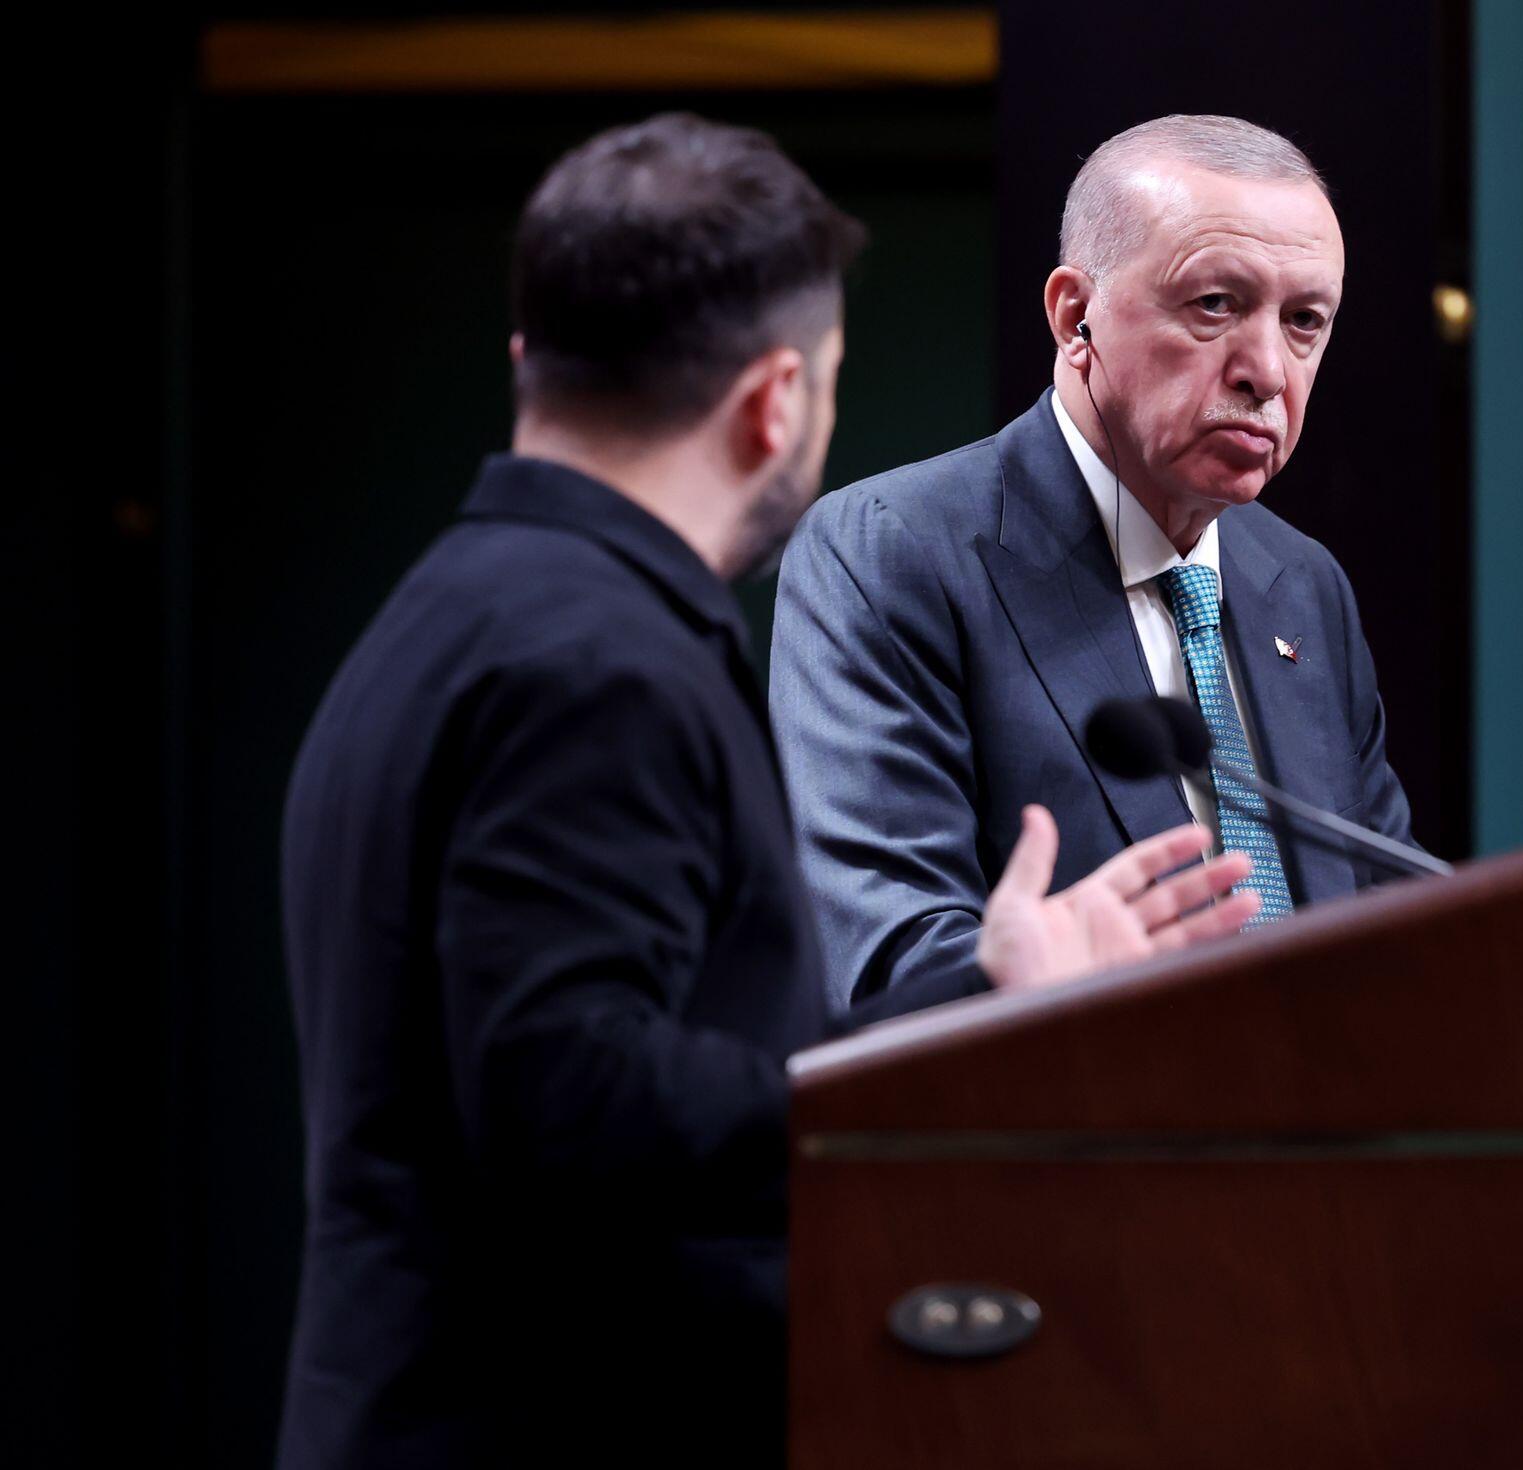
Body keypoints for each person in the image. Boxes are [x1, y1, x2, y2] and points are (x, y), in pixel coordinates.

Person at [275, 112, 1255, 1470]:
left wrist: (987, 990)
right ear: (775, 402)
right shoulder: (596, 666)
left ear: (526, 362)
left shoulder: (446, 615)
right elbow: (572, 1094)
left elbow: (588, 1064)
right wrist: (951, 1064)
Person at [771, 113, 1415, 1009]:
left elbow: (1396, 925)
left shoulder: (1302, 584)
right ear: (1076, 318)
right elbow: (891, 958)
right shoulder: (893, 553)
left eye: (1304, 320)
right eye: (1215, 305)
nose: (1268, 370)